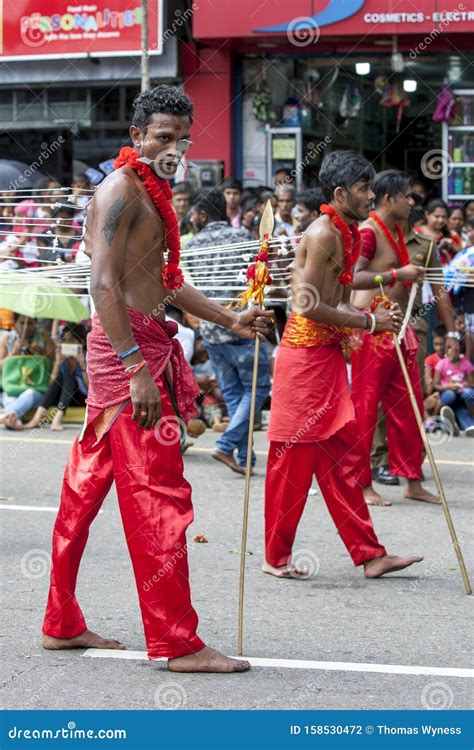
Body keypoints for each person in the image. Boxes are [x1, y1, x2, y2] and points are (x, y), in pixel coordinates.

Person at [41, 84, 273, 674]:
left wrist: (230, 317)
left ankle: (60, 623)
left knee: (84, 489)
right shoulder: (120, 190)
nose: (174, 148)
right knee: (158, 498)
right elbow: (103, 286)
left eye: (182, 139)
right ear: (137, 138)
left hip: (133, 347)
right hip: (128, 357)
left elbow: (166, 282)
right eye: (163, 138)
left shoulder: (154, 190)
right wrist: (136, 368)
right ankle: (177, 643)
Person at [264, 150, 422, 580]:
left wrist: (393, 277)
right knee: (291, 462)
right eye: (363, 189)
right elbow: (307, 303)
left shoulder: (345, 229)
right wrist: (369, 320)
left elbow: (348, 281)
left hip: (328, 356)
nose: (371, 196)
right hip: (305, 359)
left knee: (341, 460)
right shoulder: (323, 233)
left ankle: (370, 554)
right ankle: (275, 556)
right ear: (338, 193)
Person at [351, 169, 439, 507]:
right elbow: (353, 277)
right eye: (407, 195)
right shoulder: (370, 232)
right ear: (390, 199)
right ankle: (362, 484)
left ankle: (411, 480)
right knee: (366, 408)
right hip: (373, 330)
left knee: (408, 406)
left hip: (399, 331)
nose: (413, 202)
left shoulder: (398, 232)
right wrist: (395, 274)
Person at [186, 189, 271, 474]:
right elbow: (256, 278)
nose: (192, 218)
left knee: (235, 392)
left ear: (204, 214)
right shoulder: (243, 237)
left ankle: (245, 455)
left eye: (194, 213)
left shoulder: (193, 243)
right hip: (241, 324)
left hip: (212, 328)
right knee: (256, 388)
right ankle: (227, 446)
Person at [18, 324, 88, 432]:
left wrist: (83, 364)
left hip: (81, 398)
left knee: (70, 377)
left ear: (81, 343)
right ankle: (37, 418)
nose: (67, 344)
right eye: (64, 340)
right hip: (62, 399)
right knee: (61, 376)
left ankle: (58, 418)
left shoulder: (87, 356)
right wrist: (57, 364)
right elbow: (51, 385)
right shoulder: (61, 357)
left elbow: (90, 388)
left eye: (72, 340)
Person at [0, 314, 53, 427]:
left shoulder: (44, 337)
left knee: (30, 394)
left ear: (35, 324)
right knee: (10, 399)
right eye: (22, 323)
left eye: (30, 323)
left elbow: (54, 365)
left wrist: (41, 351)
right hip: (12, 388)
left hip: (36, 389)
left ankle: (5, 415)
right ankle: (15, 421)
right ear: (15, 323)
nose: (26, 327)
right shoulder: (7, 338)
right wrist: (13, 353)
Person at [434, 338, 474, 436]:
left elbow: (472, 383)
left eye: (457, 350)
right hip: (447, 395)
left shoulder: (466, 363)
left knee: (469, 393)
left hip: (461, 395)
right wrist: (448, 386)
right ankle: (436, 419)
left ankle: (469, 425)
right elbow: (436, 385)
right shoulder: (442, 364)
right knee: (450, 395)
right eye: (452, 349)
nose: (455, 352)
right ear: (447, 349)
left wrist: (465, 384)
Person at [415, 199, 462, 264]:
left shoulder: (452, 235)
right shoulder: (416, 233)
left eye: (444, 217)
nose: (440, 220)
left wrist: (453, 245)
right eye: (436, 216)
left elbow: (464, 258)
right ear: (427, 214)